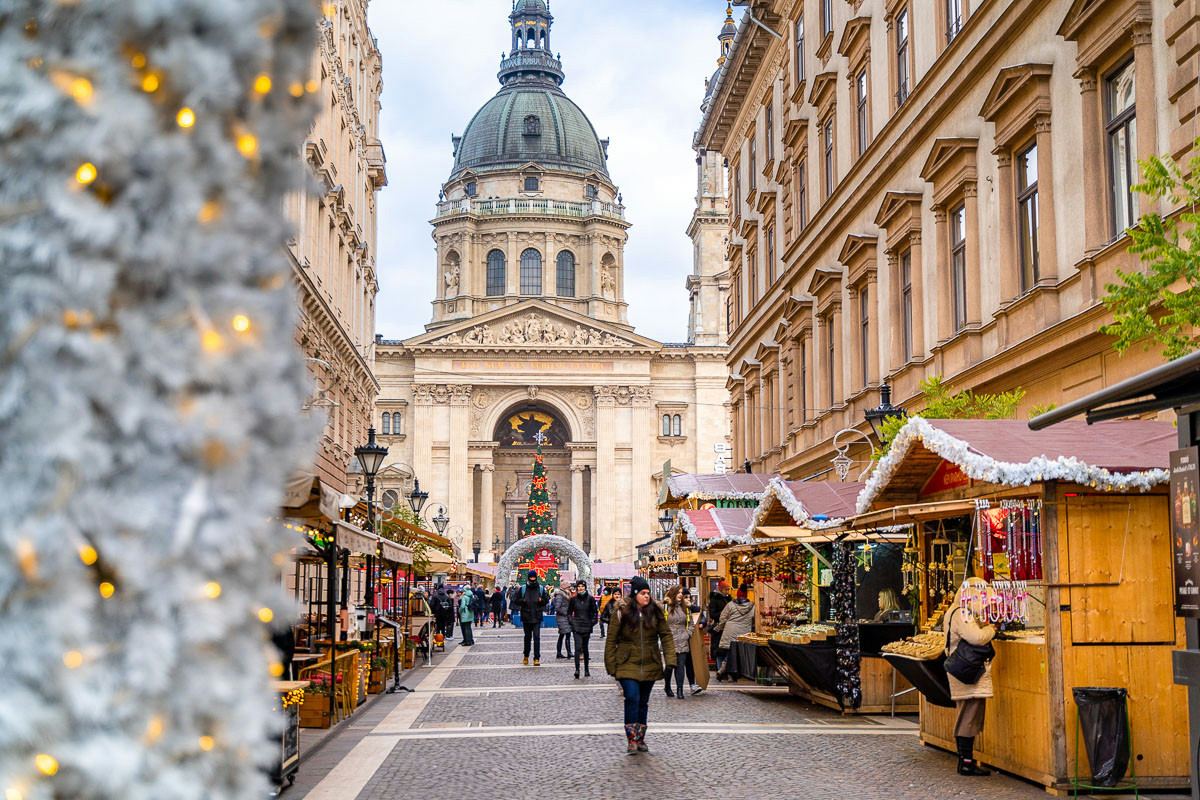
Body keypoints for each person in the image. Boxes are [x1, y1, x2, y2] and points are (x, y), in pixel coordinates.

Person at [605, 576, 675, 755]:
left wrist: (670, 661)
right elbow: (611, 639)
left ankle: (641, 738)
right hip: (627, 662)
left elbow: (666, 635)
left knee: (643, 702)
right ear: (635, 594)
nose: (647, 596)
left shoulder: (656, 612)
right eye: (643, 593)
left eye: (648, 593)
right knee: (632, 697)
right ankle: (631, 739)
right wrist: (611, 666)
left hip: (650, 662)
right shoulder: (622, 611)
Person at [945, 577, 996, 777]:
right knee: (968, 716)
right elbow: (976, 637)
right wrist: (991, 629)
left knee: (966, 715)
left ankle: (965, 760)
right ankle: (966, 763)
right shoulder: (963, 613)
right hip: (968, 672)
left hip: (961, 670)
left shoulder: (953, 611)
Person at [664, 586, 703, 697]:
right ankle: (667, 686)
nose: (680, 594)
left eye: (681, 592)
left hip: (682, 639)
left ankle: (680, 690)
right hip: (669, 640)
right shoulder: (665, 608)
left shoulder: (685, 608)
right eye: (678, 592)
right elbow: (660, 624)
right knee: (669, 666)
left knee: (680, 665)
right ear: (673, 593)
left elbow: (690, 623)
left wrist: (688, 634)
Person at [714, 585, 754, 681]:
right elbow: (754, 619)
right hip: (744, 632)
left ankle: (722, 668)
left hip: (730, 631)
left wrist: (720, 627)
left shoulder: (730, 605)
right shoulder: (752, 606)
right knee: (737, 654)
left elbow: (722, 618)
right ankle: (730, 675)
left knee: (728, 652)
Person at [516, 571, 548, 665]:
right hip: (526, 616)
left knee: (537, 637)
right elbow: (516, 600)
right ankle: (526, 655)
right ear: (528, 578)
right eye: (531, 577)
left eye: (534, 577)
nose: (533, 579)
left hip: (537, 616)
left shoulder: (540, 588)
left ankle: (536, 658)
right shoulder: (523, 588)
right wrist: (523, 600)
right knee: (527, 637)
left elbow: (546, 600)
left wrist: (541, 600)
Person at [567, 580, 597, 679]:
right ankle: (577, 669)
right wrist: (571, 621)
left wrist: (592, 622)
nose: (580, 588)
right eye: (579, 586)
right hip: (577, 626)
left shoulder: (590, 599)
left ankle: (586, 669)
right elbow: (569, 613)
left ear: (585, 587)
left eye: (582, 586)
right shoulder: (573, 599)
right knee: (577, 648)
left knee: (585, 648)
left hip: (587, 626)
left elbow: (595, 613)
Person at [707, 580, 732, 665]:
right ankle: (720, 669)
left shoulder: (728, 599)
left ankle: (724, 669)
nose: (727, 591)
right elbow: (712, 614)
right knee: (719, 650)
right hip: (719, 628)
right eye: (726, 589)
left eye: (728, 589)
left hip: (728, 627)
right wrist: (723, 614)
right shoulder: (715, 600)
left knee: (727, 649)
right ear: (721, 590)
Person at [552, 580, 574, 659]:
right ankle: (569, 652)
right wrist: (566, 613)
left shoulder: (565, 595)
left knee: (563, 635)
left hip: (565, 617)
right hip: (562, 618)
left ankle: (560, 653)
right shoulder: (560, 596)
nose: (569, 588)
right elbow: (557, 608)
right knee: (567, 634)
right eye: (568, 587)